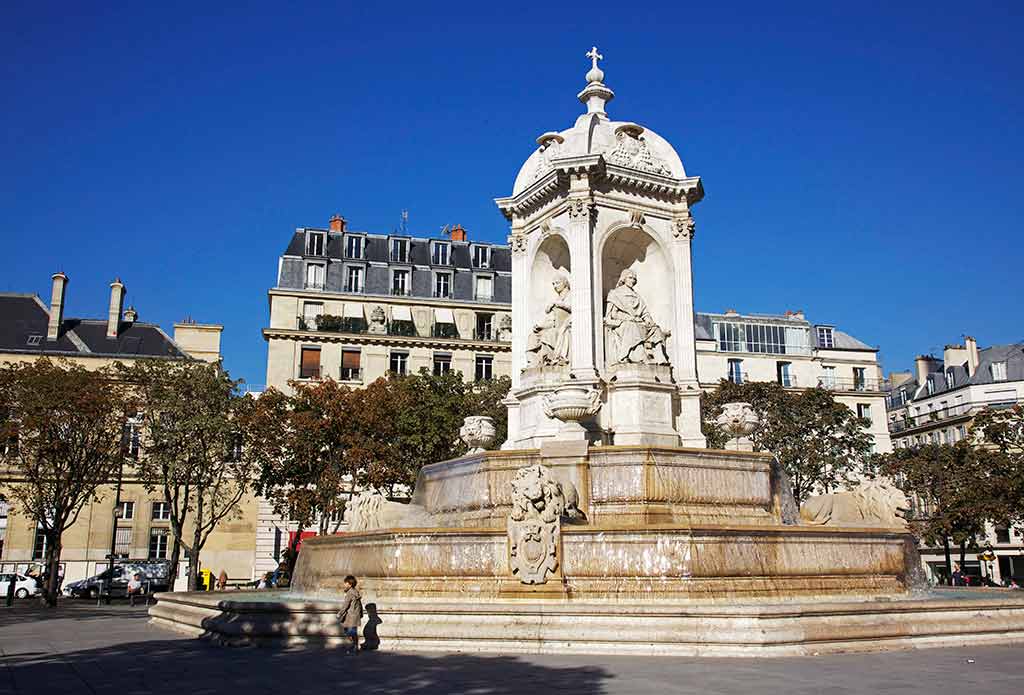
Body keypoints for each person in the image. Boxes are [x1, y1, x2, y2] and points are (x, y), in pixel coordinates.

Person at [337, 575, 363, 654]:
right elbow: (360, 604)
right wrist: (360, 613)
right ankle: (354, 645)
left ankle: (354, 645)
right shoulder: (355, 591)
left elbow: (345, 605)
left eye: (346, 583)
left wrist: (339, 613)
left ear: (350, 584)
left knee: (350, 631)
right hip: (355, 615)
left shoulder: (350, 593)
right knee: (350, 631)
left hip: (351, 616)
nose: (344, 584)